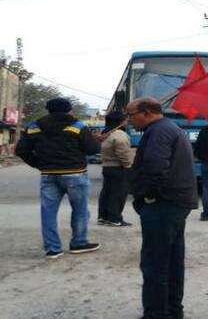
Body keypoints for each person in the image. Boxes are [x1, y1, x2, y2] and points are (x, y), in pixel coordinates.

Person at [127, 97, 198, 319]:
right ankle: (173, 311)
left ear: (147, 112)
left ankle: (157, 314)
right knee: (172, 261)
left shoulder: (158, 132)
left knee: (154, 263)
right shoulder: (169, 128)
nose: (129, 121)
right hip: (175, 203)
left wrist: (147, 197)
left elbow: (155, 168)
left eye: (131, 115)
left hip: (164, 205)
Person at [16, 97, 101, 259]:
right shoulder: (78, 126)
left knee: (48, 212)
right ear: (69, 110)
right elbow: (92, 149)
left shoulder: (34, 127)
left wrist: (38, 164)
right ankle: (79, 243)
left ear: (48, 109)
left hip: (48, 174)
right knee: (80, 210)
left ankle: (53, 249)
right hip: (75, 173)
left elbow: (22, 150)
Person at [97, 111, 134, 227]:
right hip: (119, 168)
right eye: (126, 120)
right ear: (120, 122)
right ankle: (115, 219)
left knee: (107, 193)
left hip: (107, 167)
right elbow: (123, 153)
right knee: (118, 194)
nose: (127, 123)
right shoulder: (119, 135)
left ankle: (103, 217)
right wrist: (128, 165)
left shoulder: (105, 133)